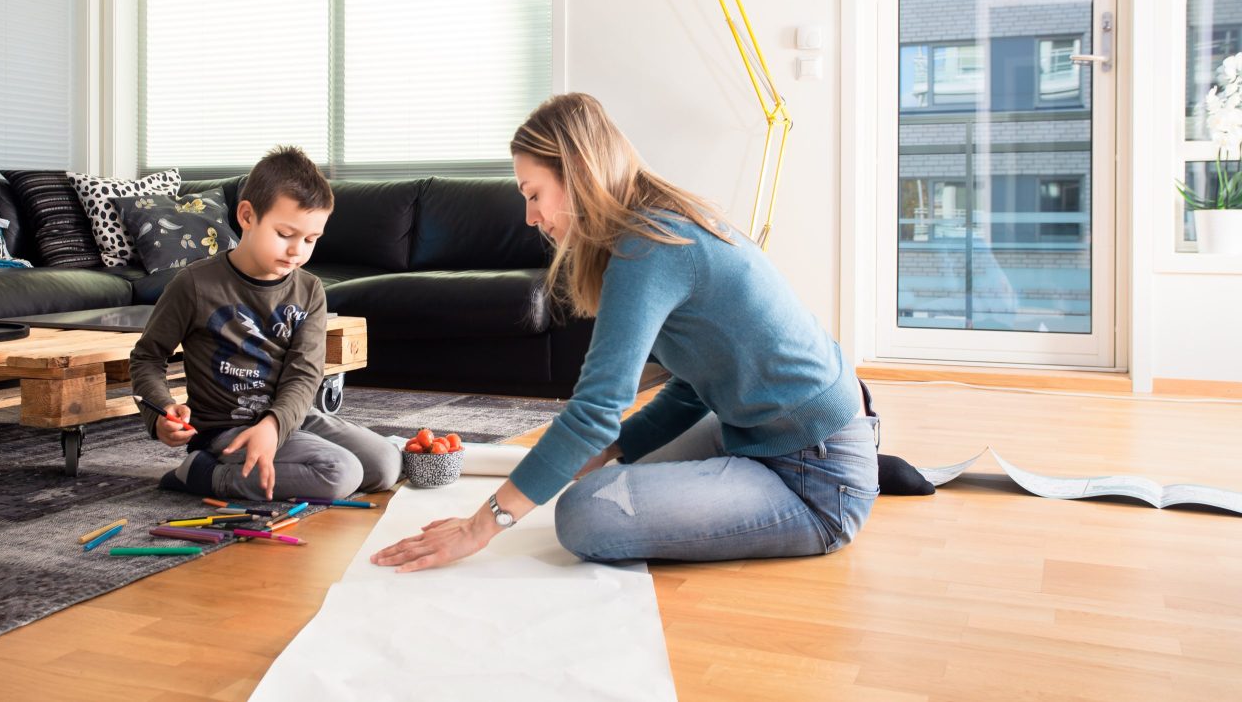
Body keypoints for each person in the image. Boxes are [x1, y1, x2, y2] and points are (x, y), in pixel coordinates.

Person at [373, 93, 923, 574]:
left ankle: (855, 483)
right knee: (614, 469)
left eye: (533, 192)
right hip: (764, 431)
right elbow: (688, 386)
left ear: (577, 172)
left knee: (585, 514)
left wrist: (480, 525)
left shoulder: (648, 247)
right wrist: (604, 450)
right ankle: (859, 470)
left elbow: (593, 412)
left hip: (814, 478)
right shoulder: (650, 227)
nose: (529, 216)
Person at [130, 145, 400, 502]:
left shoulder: (309, 289)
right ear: (246, 216)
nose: (297, 251)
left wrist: (273, 426)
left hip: (291, 418)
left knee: (385, 465)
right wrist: (161, 411)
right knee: (340, 473)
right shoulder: (194, 284)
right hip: (226, 430)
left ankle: (284, 453)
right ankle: (202, 473)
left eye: (310, 240)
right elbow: (147, 357)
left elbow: (304, 375)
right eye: (285, 234)